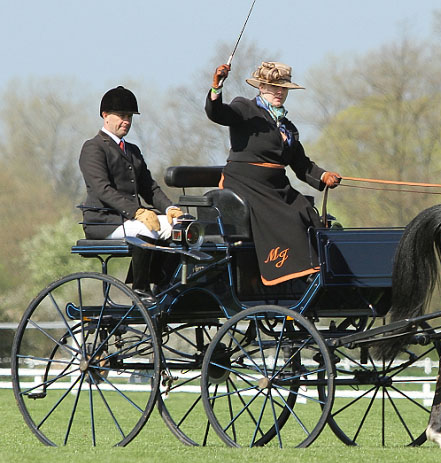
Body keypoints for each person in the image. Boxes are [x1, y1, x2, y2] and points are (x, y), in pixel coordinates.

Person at [205, 60, 342, 286]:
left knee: (306, 212)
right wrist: (216, 87)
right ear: (261, 87)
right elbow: (218, 113)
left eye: (283, 87)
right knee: (287, 216)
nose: (279, 92)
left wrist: (324, 176)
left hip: (277, 186)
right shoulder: (244, 108)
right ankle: (299, 273)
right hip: (245, 183)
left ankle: (322, 268)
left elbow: (302, 165)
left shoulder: (287, 126)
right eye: (273, 86)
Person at [78, 86, 183, 303]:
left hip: (130, 219)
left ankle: (165, 283)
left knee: (181, 228)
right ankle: (141, 289)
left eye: (129, 117)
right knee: (146, 227)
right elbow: (102, 189)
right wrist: (137, 212)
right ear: (105, 116)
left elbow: (150, 188)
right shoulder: (93, 148)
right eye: (122, 116)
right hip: (104, 221)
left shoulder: (132, 150)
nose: (126, 121)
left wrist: (171, 209)